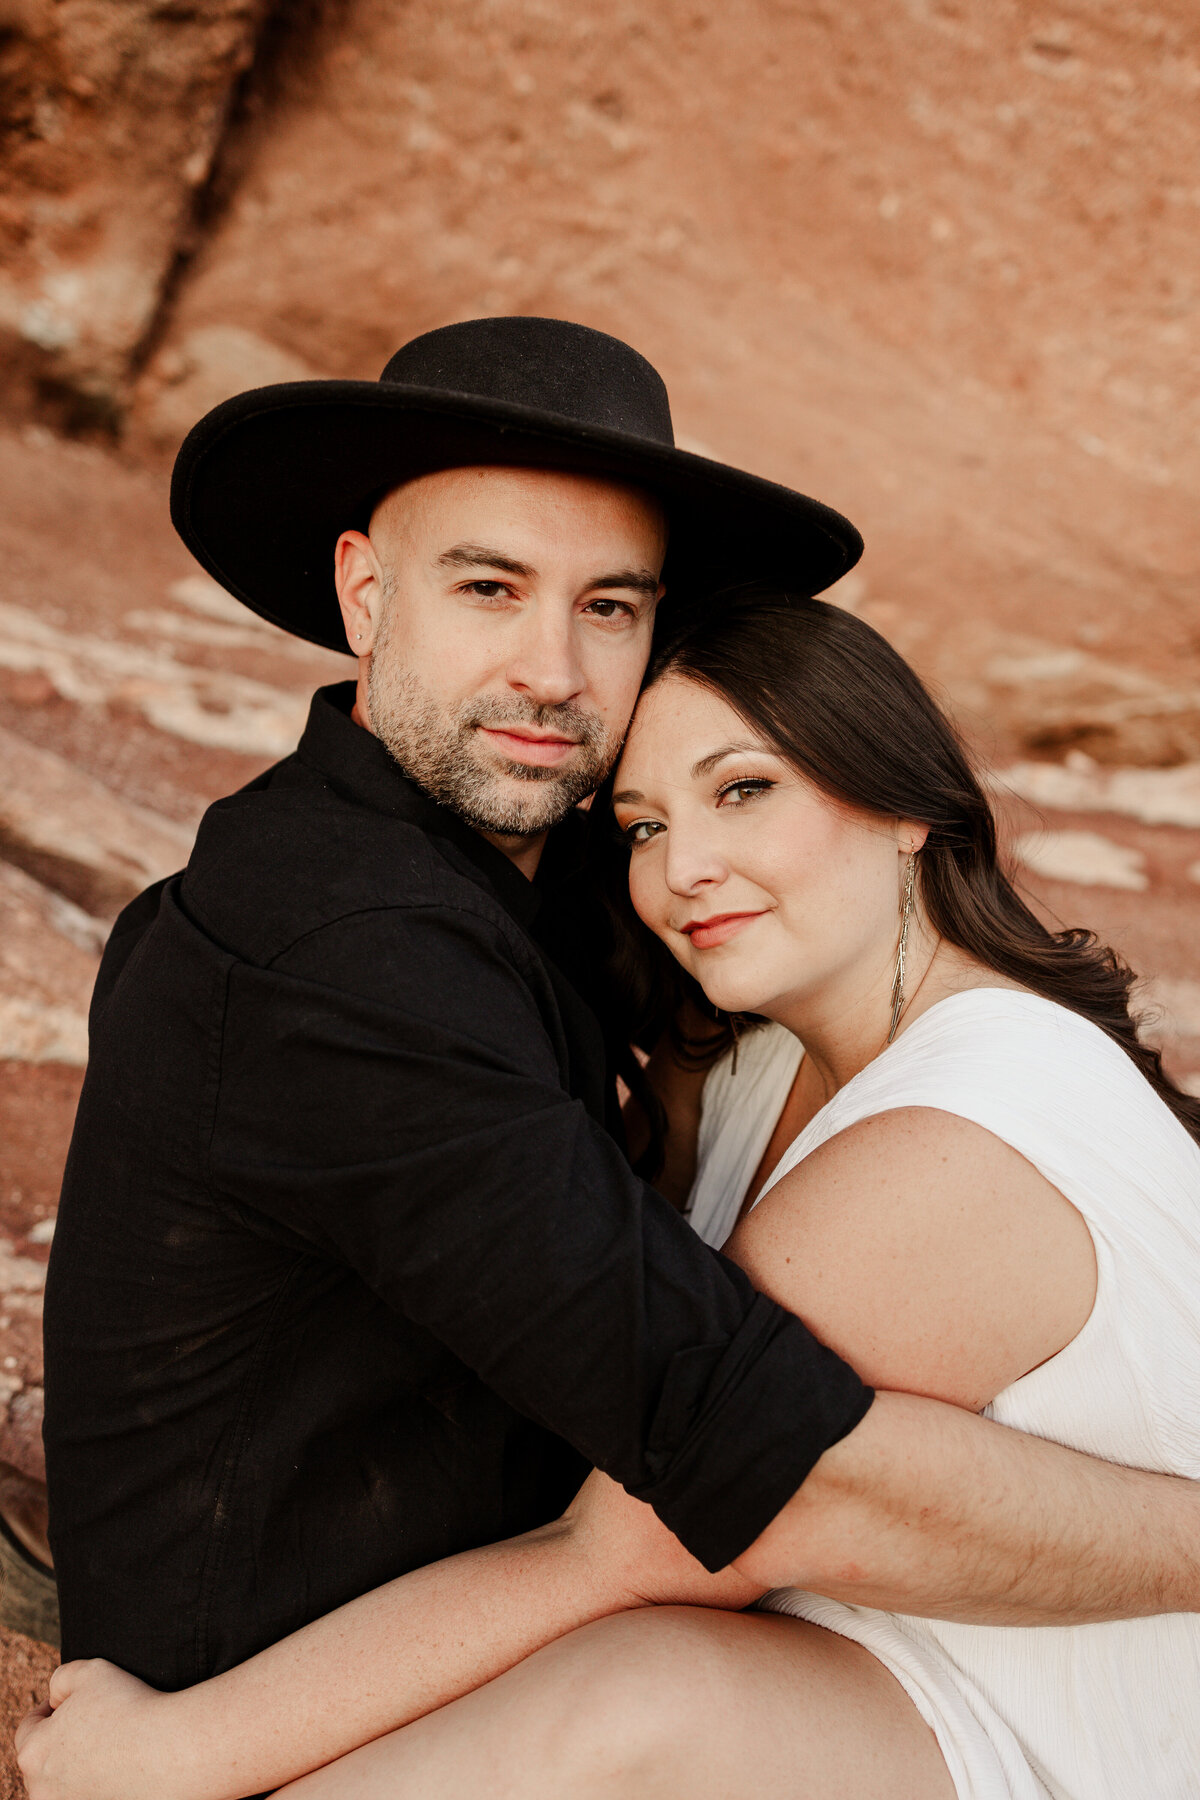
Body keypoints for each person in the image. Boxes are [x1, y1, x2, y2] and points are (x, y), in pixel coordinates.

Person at [29, 319, 1200, 1760]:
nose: (551, 670)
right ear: (365, 592)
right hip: (302, 1697)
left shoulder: (544, 882)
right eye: (488, 586)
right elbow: (750, 1452)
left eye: (609, 607)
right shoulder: (347, 957)